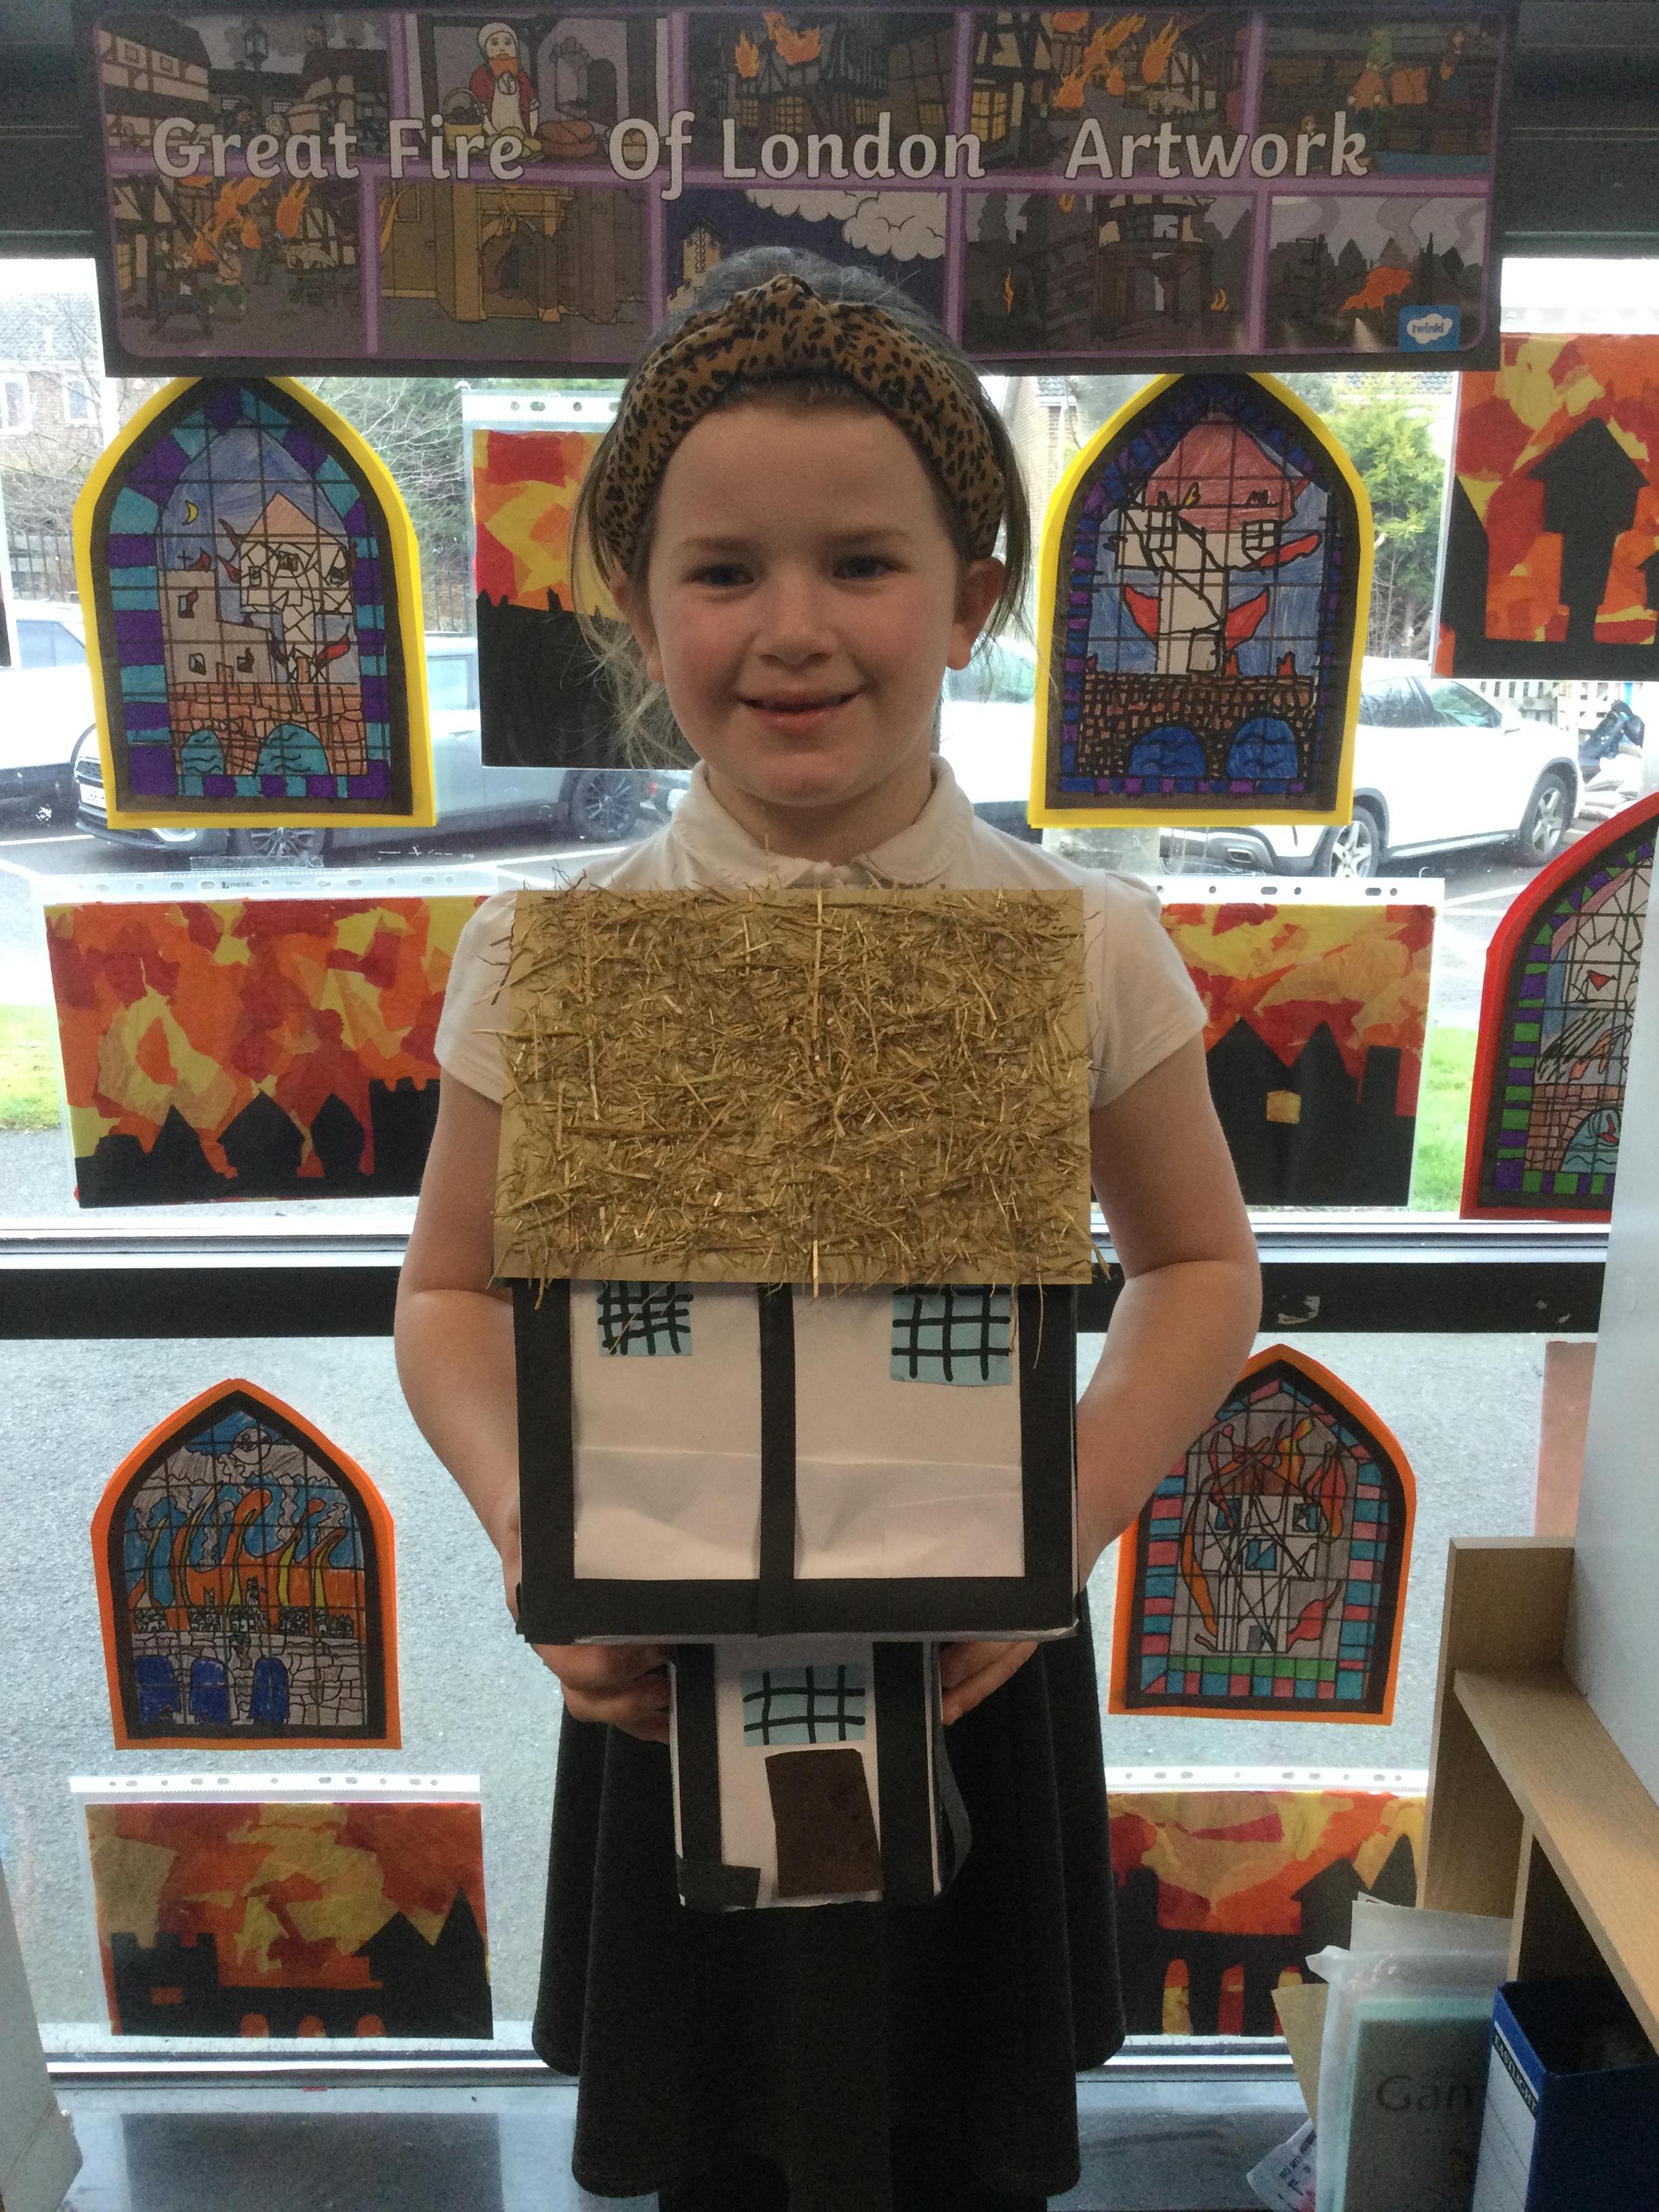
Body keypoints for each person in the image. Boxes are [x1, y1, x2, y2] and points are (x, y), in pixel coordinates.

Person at [396, 247, 1260, 2212]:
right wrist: (537, 1536)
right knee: (709, 2144)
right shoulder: (542, 952)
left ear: (972, 597)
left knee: (964, 2142)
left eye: (862, 564)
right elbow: (448, 1295)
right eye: (723, 573)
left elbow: (1203, 1269)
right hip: (662, 1651)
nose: (792, 630)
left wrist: (1056, 1536)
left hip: (970, 1656)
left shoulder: (1082, 942)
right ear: (637, 607)